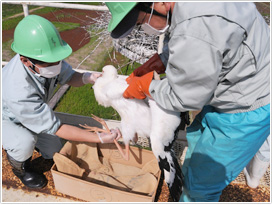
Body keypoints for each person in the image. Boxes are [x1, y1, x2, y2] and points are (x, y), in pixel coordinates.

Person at [105, 2, 270, 202]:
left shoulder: (197, 26)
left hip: (245, 109)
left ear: (156, 4)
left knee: (200, 187)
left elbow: (185, 96)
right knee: (197, 152)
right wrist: (163, 59)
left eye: (141, 22)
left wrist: (146, 88)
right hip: (236, 87)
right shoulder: (188, 9)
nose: (145, 30)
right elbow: (199, 43)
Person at [2, 15, 121, 189]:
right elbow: (57, 127)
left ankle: (29, 141)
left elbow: (70, 76)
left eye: (57, 59)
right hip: (7, 118)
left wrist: (88, 77)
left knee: (53, 150)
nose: (56, 65)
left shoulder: (45, 60)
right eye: (50, 63)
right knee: (24, 142)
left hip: (32, 113)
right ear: (25, 61)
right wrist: (99, 138)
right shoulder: (17, 88)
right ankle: (21, 168)